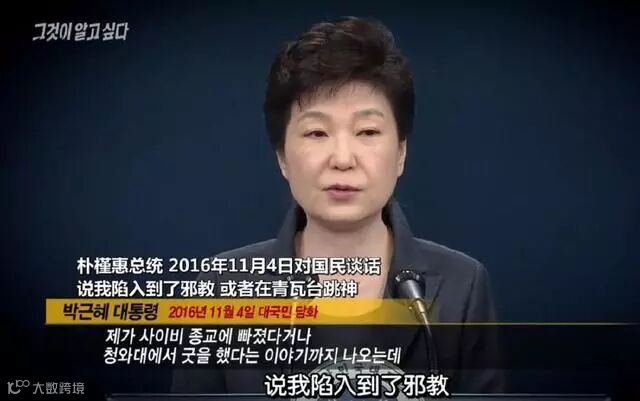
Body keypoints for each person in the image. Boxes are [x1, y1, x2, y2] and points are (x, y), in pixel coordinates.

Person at [172, 16, 505, 394]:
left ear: (400, 153)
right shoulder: (222, 287)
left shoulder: (463, 286)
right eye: (317, 132)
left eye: (367, 132)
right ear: (282, 157)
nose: (343, 158)